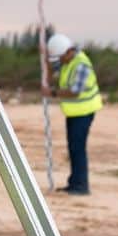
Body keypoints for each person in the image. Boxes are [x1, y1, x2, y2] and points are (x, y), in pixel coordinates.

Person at [42, 34, 103, 196]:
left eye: (60, 57)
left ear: (69, 52)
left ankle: (81, 186)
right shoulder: (66, 61)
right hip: (74, 112)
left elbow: (75, 92)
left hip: (84, 112)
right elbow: (50, 77)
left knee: (78, 148)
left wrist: (52, 93)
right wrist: (47, 64)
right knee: (73, 148)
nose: (59, 61)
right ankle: (74, 183)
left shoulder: (81, 64)